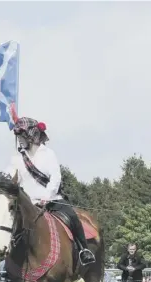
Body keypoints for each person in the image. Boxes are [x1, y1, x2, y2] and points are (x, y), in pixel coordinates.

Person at [6, 113, 96, 266]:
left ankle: (83, 250)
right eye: (18, 136)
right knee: (10, 223)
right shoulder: (17, 158)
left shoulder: (48, 154)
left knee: (73, 217)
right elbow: (11, 174)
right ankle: (11, 262)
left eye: (22, 135)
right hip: (28, 204)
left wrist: (46, 196)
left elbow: (55, 178)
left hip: (51, 201)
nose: (19, 139)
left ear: (31, 135)